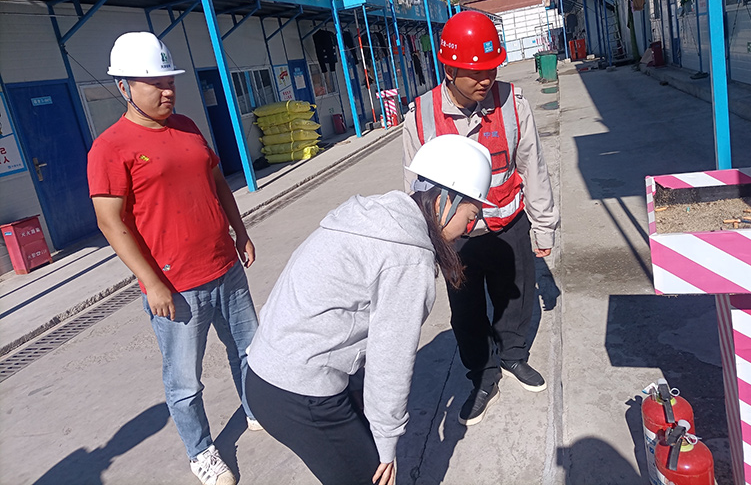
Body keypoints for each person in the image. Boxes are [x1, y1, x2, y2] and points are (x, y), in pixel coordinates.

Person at [244, 134, 493, 485]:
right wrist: (387, 442)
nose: (470, 228)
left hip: (264, 372)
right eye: (471, 215)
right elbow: (389, 361)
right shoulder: (407, 257)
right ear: (445, 200)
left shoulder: (373, 216)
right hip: (300, 392)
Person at [87, 32, 260, 485]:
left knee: (249, 350)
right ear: (124, 87)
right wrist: (152, 283)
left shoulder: (186, 126)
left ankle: (257, 409)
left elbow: (218, 183)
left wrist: (239, 231)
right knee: (185, 381)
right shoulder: (110, 147)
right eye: (155, 84)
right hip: (176, 287)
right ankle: (201, 451)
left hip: (226, 268)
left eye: (170, 82)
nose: (167, 92)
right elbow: (109, 222)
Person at [402, 10, 559, 427]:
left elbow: (533, 167)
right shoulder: (420, 116)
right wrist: (426, 247)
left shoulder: (513, 103)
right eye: (475, 72)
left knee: (515, 298)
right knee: (466, 313)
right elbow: (414, 190)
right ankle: (483, 376)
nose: (486, 79)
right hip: (457, 239)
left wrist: (544, 225)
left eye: (491, 68)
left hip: (510, 226)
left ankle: (513, 356)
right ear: (449, 69)